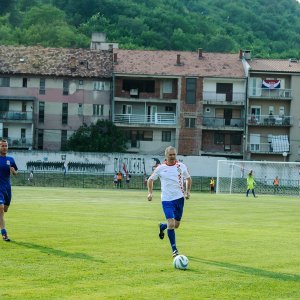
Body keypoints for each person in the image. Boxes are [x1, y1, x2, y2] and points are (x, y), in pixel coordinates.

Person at [147, 146, 192, 258]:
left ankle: (162, 226)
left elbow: (188, 178)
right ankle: (174, 250)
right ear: (166, 156)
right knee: (171, 224)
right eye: (170, 155)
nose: (172, 157)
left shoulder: (181, 166)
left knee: (176, 225)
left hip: (179, 199)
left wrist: (187, 192)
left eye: (174, 155)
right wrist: (150, 193)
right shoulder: (160, 168)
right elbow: (150, 180)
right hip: (166, 200)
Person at [0, 139, 18, 242]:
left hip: (7, 188)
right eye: (2, 146)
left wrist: (13, 171)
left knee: (5, 209)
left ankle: (1, 224)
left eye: (5, 145)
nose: (4, 147)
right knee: (1, 208)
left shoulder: (11, 159)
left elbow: (15, 173)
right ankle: (4, 233)